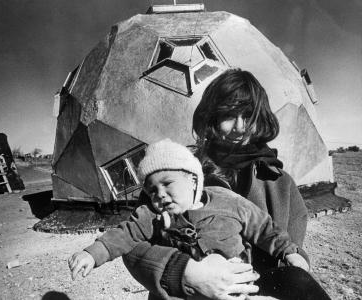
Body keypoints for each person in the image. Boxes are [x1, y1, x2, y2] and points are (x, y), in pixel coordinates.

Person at [122, 69, 331, 300]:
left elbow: (290, 251)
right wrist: (187, 274)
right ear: (210, 117)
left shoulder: (280, 183)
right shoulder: (175, 174)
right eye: (229, 115)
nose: (240, 127)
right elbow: (132, 244)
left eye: (248, 116)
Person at [68, 139, 309, 299]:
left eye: (167, 184)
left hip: (239, 290)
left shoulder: (229, 203)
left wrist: (288, 251)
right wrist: (93, 253)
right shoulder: (152, 215)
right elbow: (124, 234)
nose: (159, 195)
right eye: (152, 190)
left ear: (193, 180)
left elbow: (264, 227)